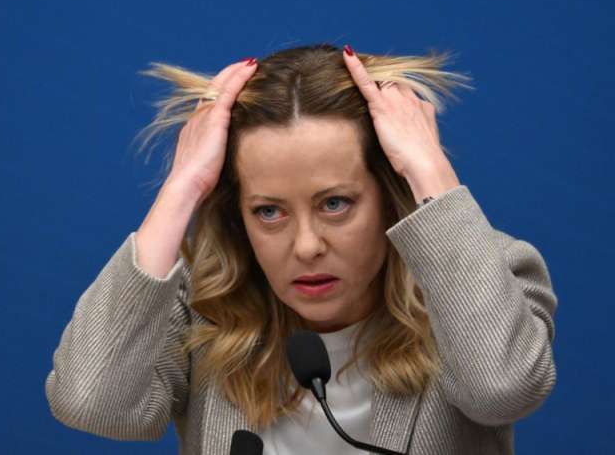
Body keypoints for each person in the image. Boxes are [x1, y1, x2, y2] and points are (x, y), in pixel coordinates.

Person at [44, 43, 558, 454]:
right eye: (269, 211)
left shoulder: (494, 272)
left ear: (387, 195)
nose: (307, 247)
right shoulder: (200, 305)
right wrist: (182, 188)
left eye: (335, 203)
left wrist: (429, 168)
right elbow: (91, 403)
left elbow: (501, 390)